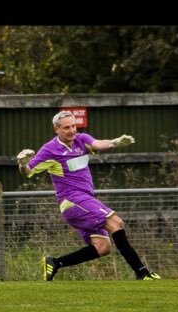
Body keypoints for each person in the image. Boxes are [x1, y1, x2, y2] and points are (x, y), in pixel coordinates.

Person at [16, 110, 161, 281]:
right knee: (116, 222)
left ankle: (55, 263)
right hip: (72, 201)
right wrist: (22, 163)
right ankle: (141, 272)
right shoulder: (50, 149)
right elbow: (28, 172)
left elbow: (99, 144)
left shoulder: (81, 139)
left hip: (86, 201)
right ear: (56, 129)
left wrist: (114, 143)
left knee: (102, 247)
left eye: (73, 126)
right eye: (66, 128)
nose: (72, 130)